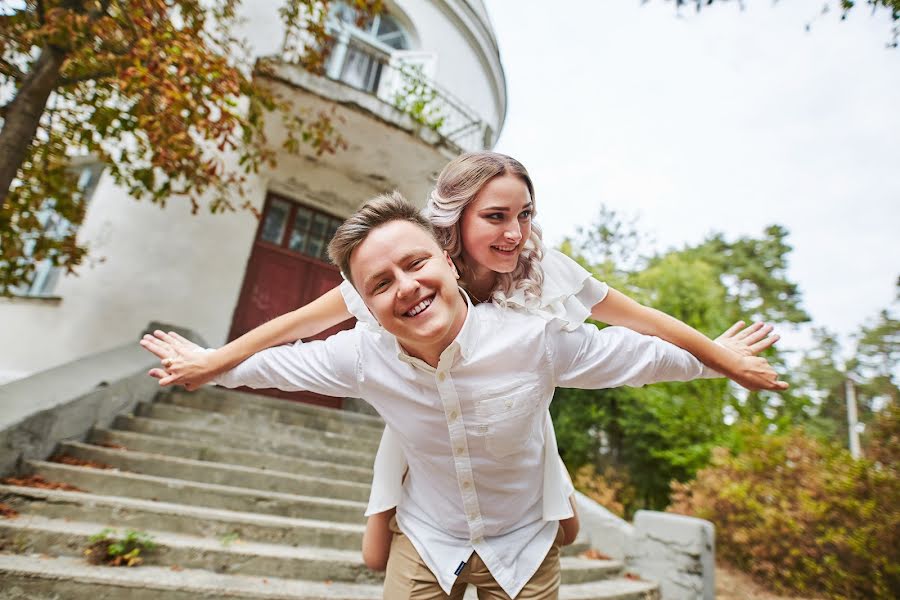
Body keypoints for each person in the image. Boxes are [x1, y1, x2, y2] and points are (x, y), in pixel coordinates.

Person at [147, 152, 784, 572]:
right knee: (382, 524)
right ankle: (398, 525)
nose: (515, 233)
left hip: (509, 392)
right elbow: (301, 326)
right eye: (498, 217)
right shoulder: (407, 258)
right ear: (454, 224)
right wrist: (214, 361)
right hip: (416, 392)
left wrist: (718, 357)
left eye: (526, 215)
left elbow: (636, 323)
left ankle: (546, 511)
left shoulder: (539, 269)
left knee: (526, 417)